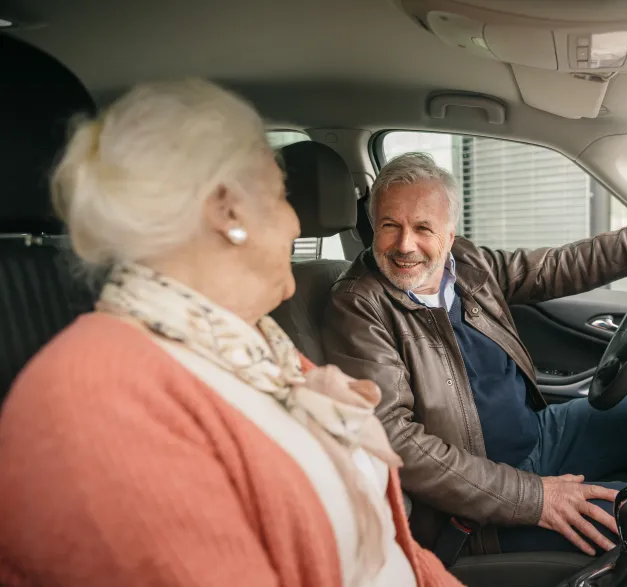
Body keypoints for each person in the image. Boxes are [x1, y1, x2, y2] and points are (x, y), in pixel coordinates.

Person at [0, 81, 463, 587]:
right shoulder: (94, 402)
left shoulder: (257, 350)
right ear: (227, 210)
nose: (296, 224)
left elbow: (388, 549)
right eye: (282, 195)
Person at [322, 152, 627, 556]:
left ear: (449, 234)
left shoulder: (464, 263)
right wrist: (535, 497)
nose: (404, 244)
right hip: (471, 509)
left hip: (537, 436)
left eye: (423, 227)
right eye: (390, 225)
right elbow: (397, 441)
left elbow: (559, 266)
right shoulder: (358, 304)